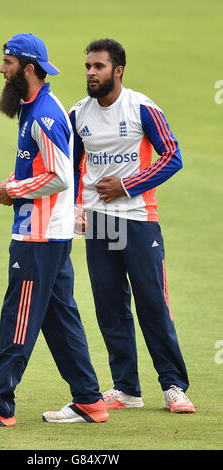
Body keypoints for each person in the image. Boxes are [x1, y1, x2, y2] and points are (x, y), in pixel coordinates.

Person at [0, 33, 109, 427]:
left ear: (28, 68)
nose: (1, 70)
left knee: (18, 316)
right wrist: (12, 182)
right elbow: (38, 166)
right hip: (46, 232)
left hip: (39, 235)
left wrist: (13, 190)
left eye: (7, 63)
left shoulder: (44, 115)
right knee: (60, 319)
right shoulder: (33, 106)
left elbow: (57, 176)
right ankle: (90, 399)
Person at [69, 38, 195, 414]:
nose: (91, 72)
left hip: (139, 220)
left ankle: (174, 386)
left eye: (99, 67)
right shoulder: (78, 114)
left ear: (117, 70)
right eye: (88, 66)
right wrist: (77, 207)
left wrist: (127, 185)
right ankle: (126, 389)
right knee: (110, 307)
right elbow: (73, 166)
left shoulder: (141, 107)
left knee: (153, 304)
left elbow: (172, 156)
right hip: (100, 223)